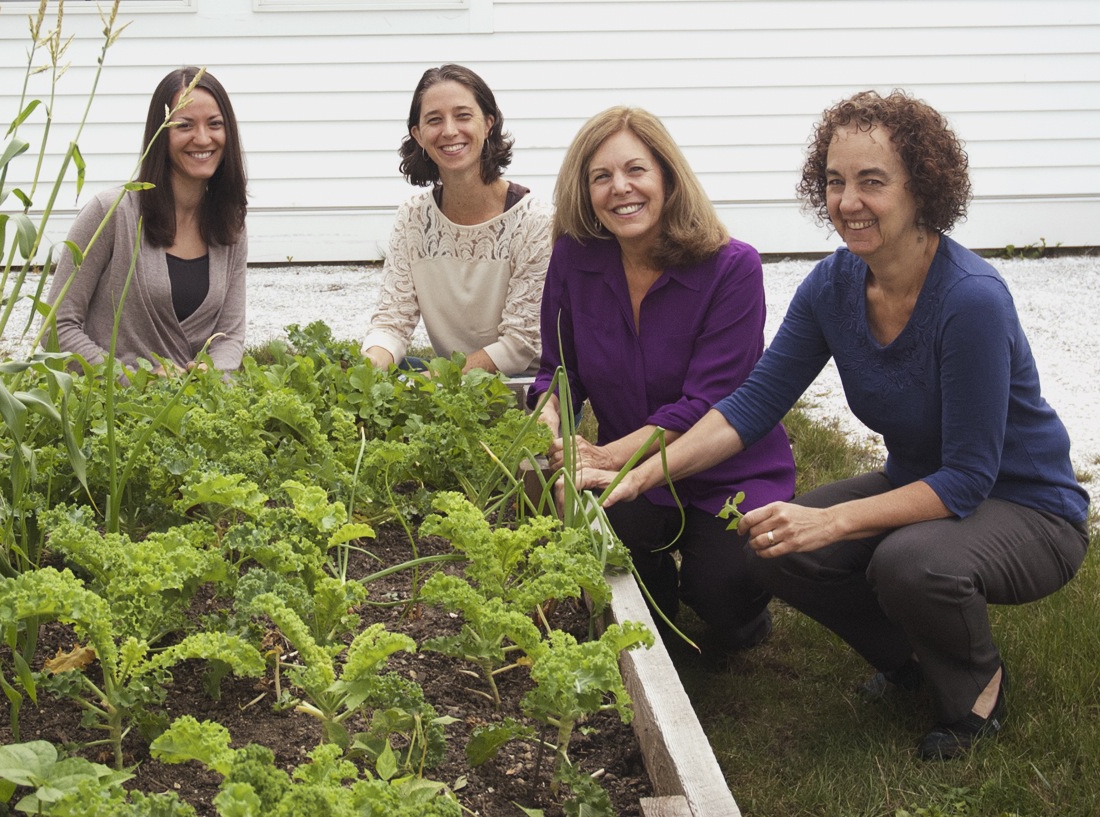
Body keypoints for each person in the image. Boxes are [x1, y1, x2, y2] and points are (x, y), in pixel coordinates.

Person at [586, 90, 1090, 760]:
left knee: (906, 561)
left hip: (1027, 506)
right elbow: (751, 403)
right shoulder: (833, 286)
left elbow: (969, 480)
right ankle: (912, 659)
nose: (847, 200)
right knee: (771, 542)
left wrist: (832, 520)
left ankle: (976, 693)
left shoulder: (970, 300)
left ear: (923, 188)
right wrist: (645, 470)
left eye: (872, 182)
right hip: (923, 486)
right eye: (834, 181)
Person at [532, 107, 795, 655]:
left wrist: (603, 458)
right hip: (637, 469)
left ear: (668, 178)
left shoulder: (732, 268)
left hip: (730, 469)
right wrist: (549, 412)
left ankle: (737, 617)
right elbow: (561, 370)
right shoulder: (575, 260)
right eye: (601, 177)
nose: (619, 189)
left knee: (722, 595)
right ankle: (655, 627)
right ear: (584, 191)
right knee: (607, 535)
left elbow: (706, 402)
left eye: (636, 171)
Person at [48, 67, 248, 372]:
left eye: (215, 124)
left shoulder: (230, 225)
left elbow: (230, 337)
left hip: (193, 410)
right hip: (108, 410)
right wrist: (132, 379)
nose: (203, 138)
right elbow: (56, 328)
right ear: (161, 132)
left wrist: (209, 375)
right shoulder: (110, 214)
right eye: (185, 125)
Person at [361, 64, 552, 377]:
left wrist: (434, 378)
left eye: (463, 116)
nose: (449, 131)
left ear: (488, 123)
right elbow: (392, 321)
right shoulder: (413, 217)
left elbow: (520, 345)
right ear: (419, 136)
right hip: (450, 383)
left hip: (522, 387)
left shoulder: (534, 220)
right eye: (434, 120)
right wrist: (370, 368)